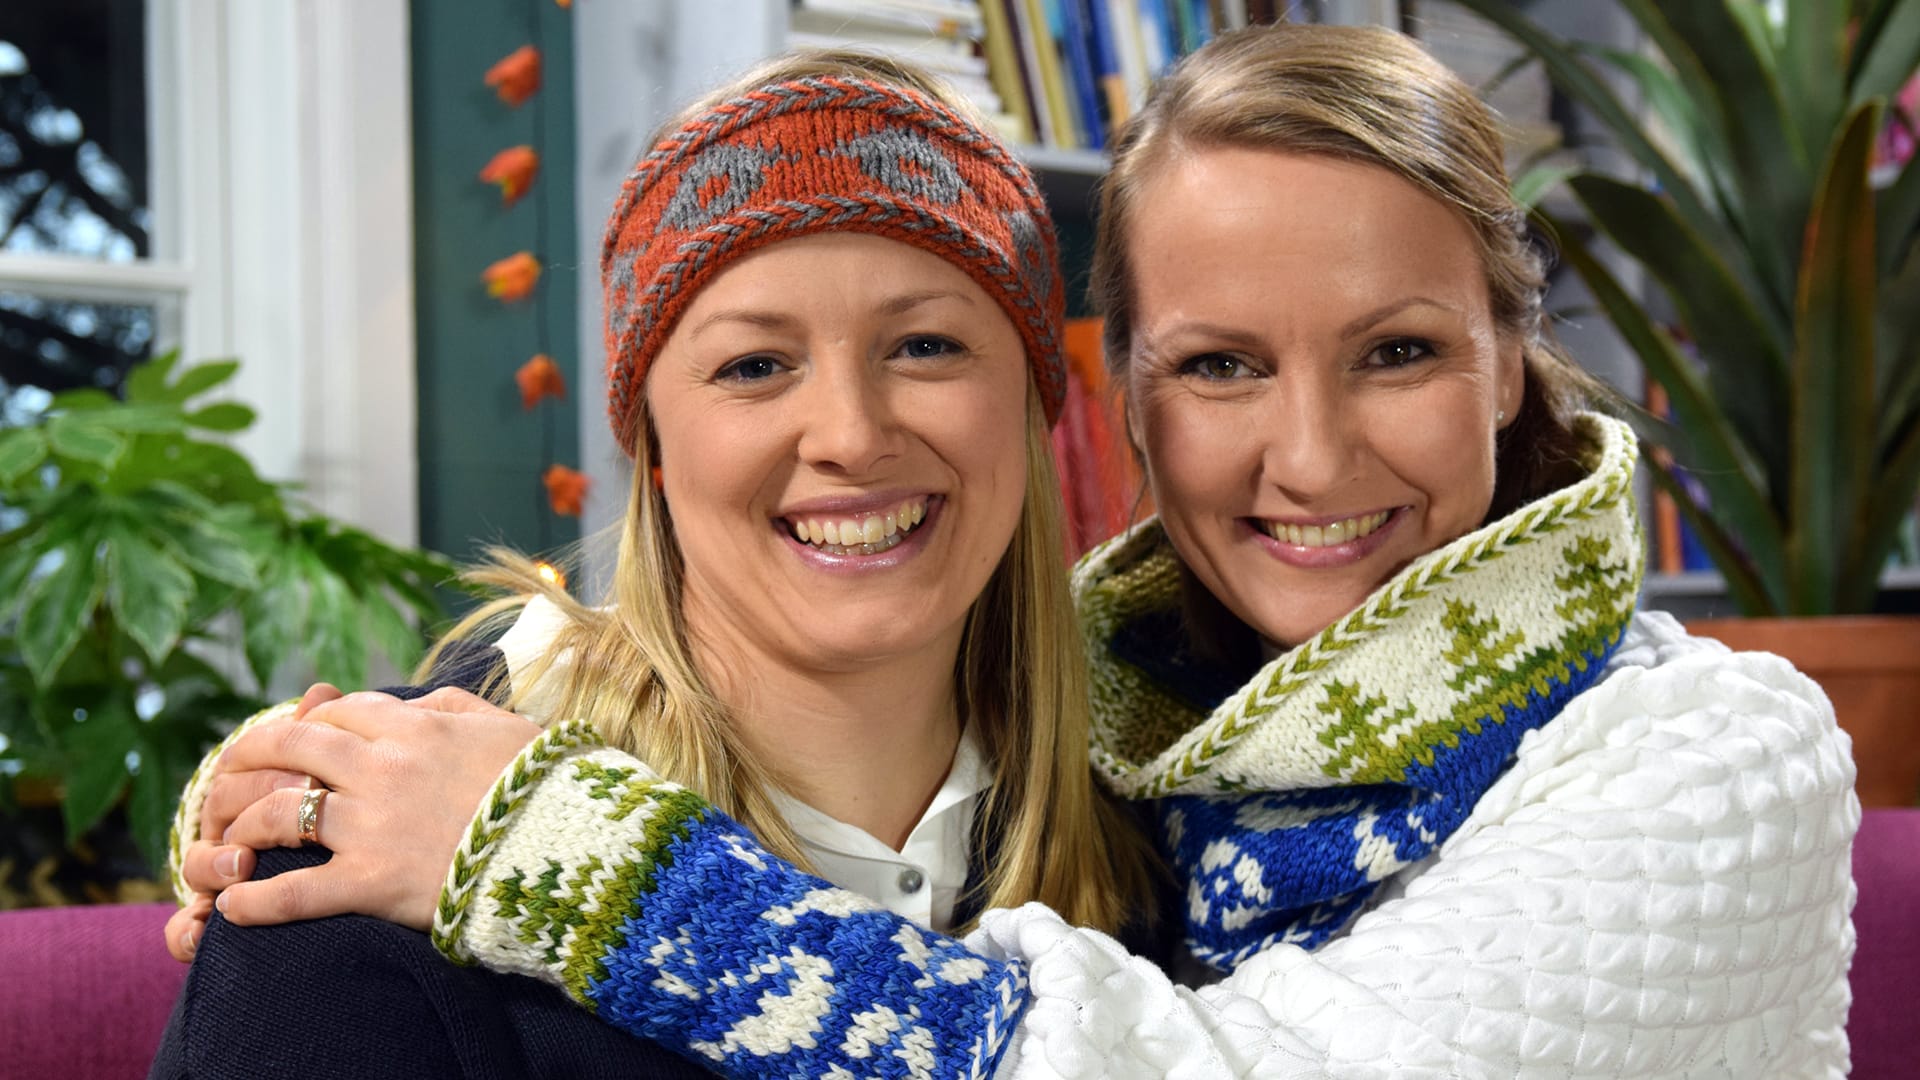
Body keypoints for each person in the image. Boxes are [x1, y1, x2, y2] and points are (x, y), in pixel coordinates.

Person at [174, 23, 1858, 1080]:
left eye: (1399, 352)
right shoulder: (1183, 747)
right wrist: (334, 771)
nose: (1311, 455)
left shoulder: (1694, 751)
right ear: (1126, 405)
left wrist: (578, 862)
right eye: (1221, 364)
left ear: (1513, 359)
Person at [152, 49, 1161, 1079]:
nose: (852, 437)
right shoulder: (369, 847)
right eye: (755, 365)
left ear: (1034, 402)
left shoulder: (1168, 846)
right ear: (655, 445)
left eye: (926, 347)